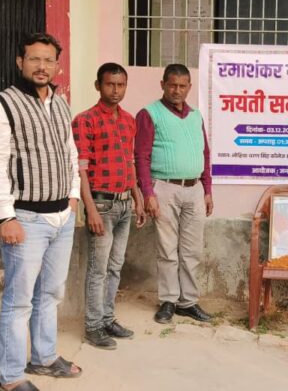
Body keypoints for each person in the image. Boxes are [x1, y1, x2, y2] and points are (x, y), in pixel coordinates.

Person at [0, 32, 82, 391]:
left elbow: (70, 153)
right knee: (18, 301)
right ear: (20, 62)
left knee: (50, 294)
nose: (42, 66)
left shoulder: (61, 103)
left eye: (49, 60)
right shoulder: (1, 106)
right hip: (26, 219)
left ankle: (44, 357)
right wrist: (6, 216)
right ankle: (10, 377)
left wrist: (72, 196)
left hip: (61, 216)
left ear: (57, 66)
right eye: (34, 59)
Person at [72, 62, 146, 350]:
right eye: (110, 84)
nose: (115, 90)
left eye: (120, 85)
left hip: (125, 203)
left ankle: (107, 318)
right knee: (98, 269)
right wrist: (89, 208)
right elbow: (81, 169)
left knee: (115, 267)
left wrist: (137, 197)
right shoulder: (85, 120)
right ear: (98, 86)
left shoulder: (128, 120)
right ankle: (93, 327)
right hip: (101, 205)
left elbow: (130, 161)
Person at [134, 63, 214, 324]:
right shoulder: (149, 114)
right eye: (172, 85)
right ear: (163, 85)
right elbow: (141, 156)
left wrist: (207, 189)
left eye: (182, 86)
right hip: (164, 187)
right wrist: (148, 193)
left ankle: (187, 302)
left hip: (194, 189)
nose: (177, 90)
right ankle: (168, 300)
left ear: (189, 87)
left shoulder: (196, 116)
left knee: (192, 250)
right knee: (167, 249)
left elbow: (204, 153)